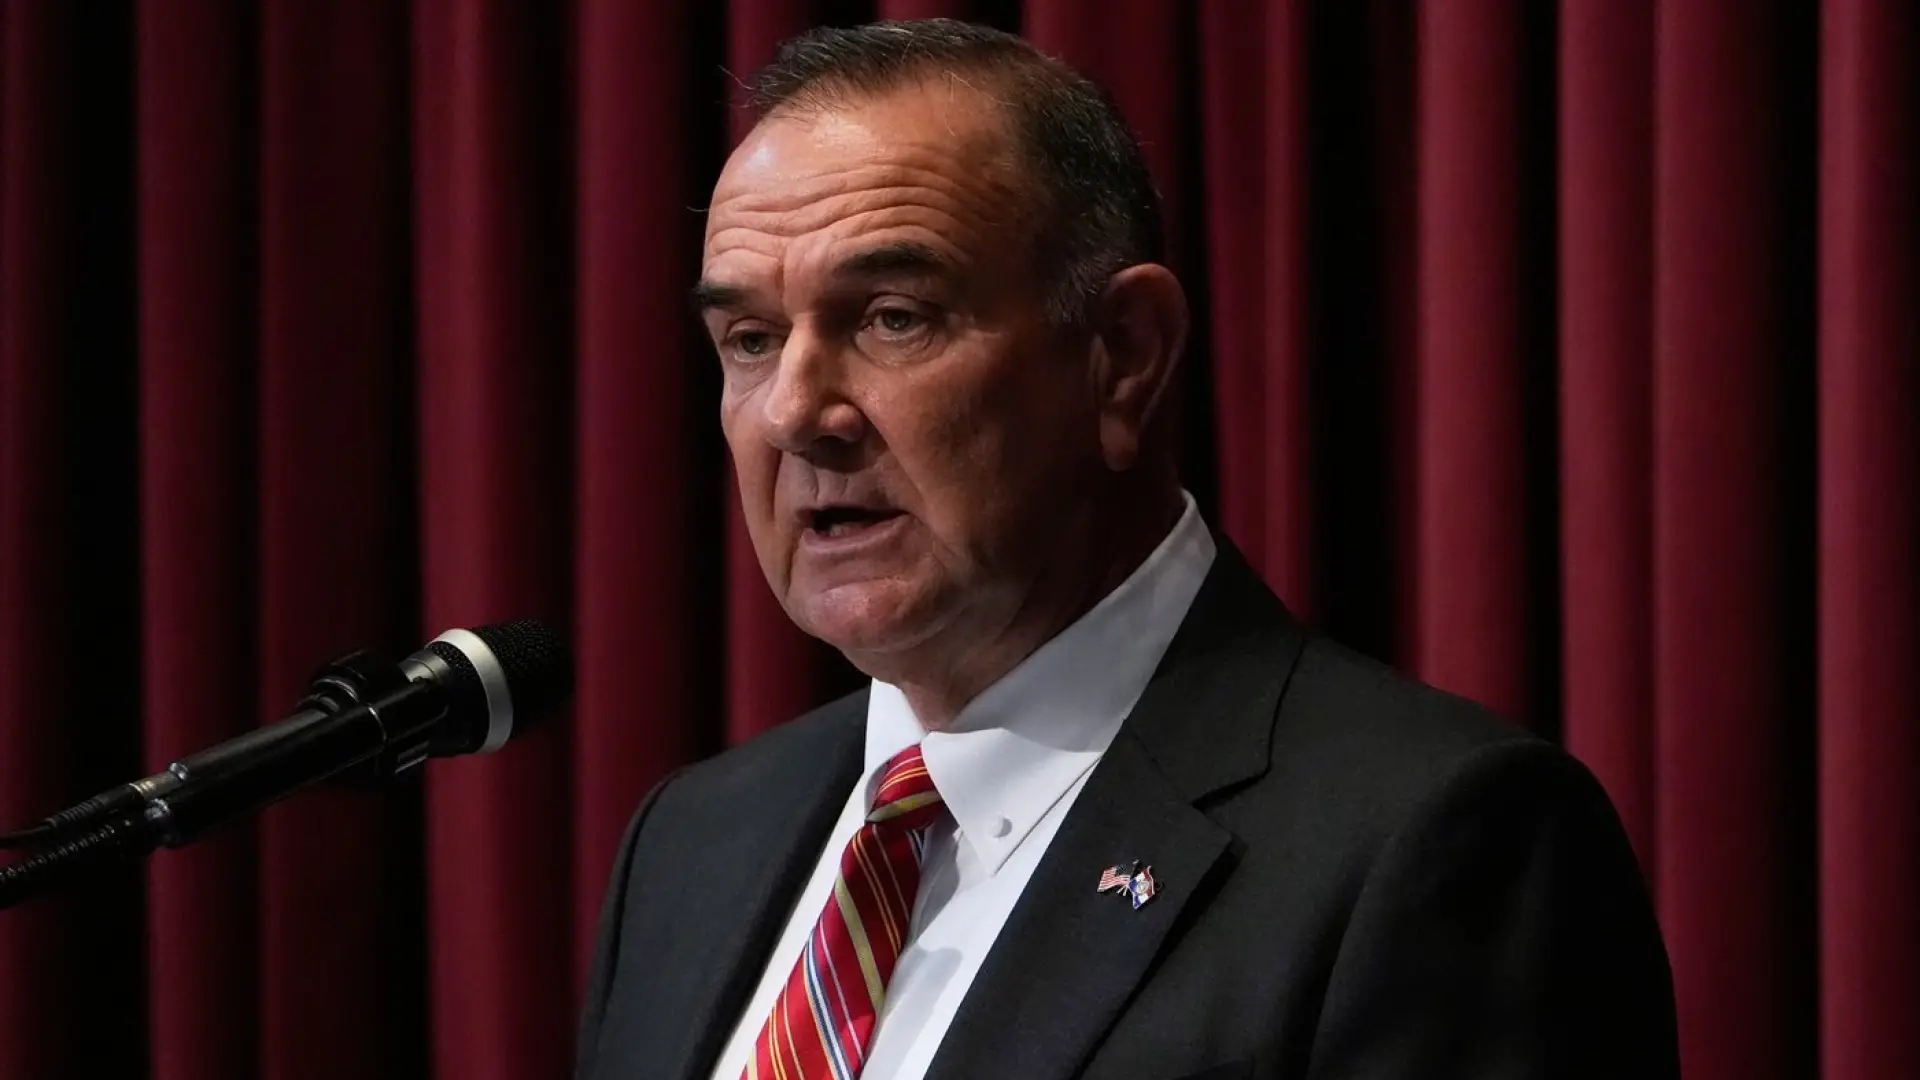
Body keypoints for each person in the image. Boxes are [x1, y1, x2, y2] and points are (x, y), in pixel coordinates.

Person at [576, 18, 1678, 1080]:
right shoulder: (692, 846)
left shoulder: (1434, 841)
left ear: (1124, 355)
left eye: (892, 318)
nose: (794, 412)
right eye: (751, 340)